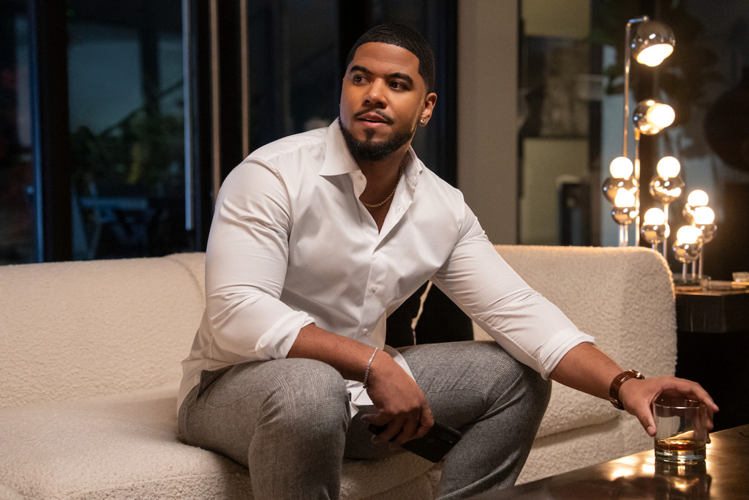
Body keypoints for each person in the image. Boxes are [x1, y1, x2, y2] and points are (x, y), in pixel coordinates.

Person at [177, 23, 718, 500]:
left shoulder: (441, 207)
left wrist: (625, 384)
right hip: (231, 387)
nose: (374, 95)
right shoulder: (272, 175)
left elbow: (517, 309)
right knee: (310, 388)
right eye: (360, 78)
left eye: (397, 84)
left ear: (427, 106)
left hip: (351, 395)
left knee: (518, 376)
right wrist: (374, 364)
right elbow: (236, 310)